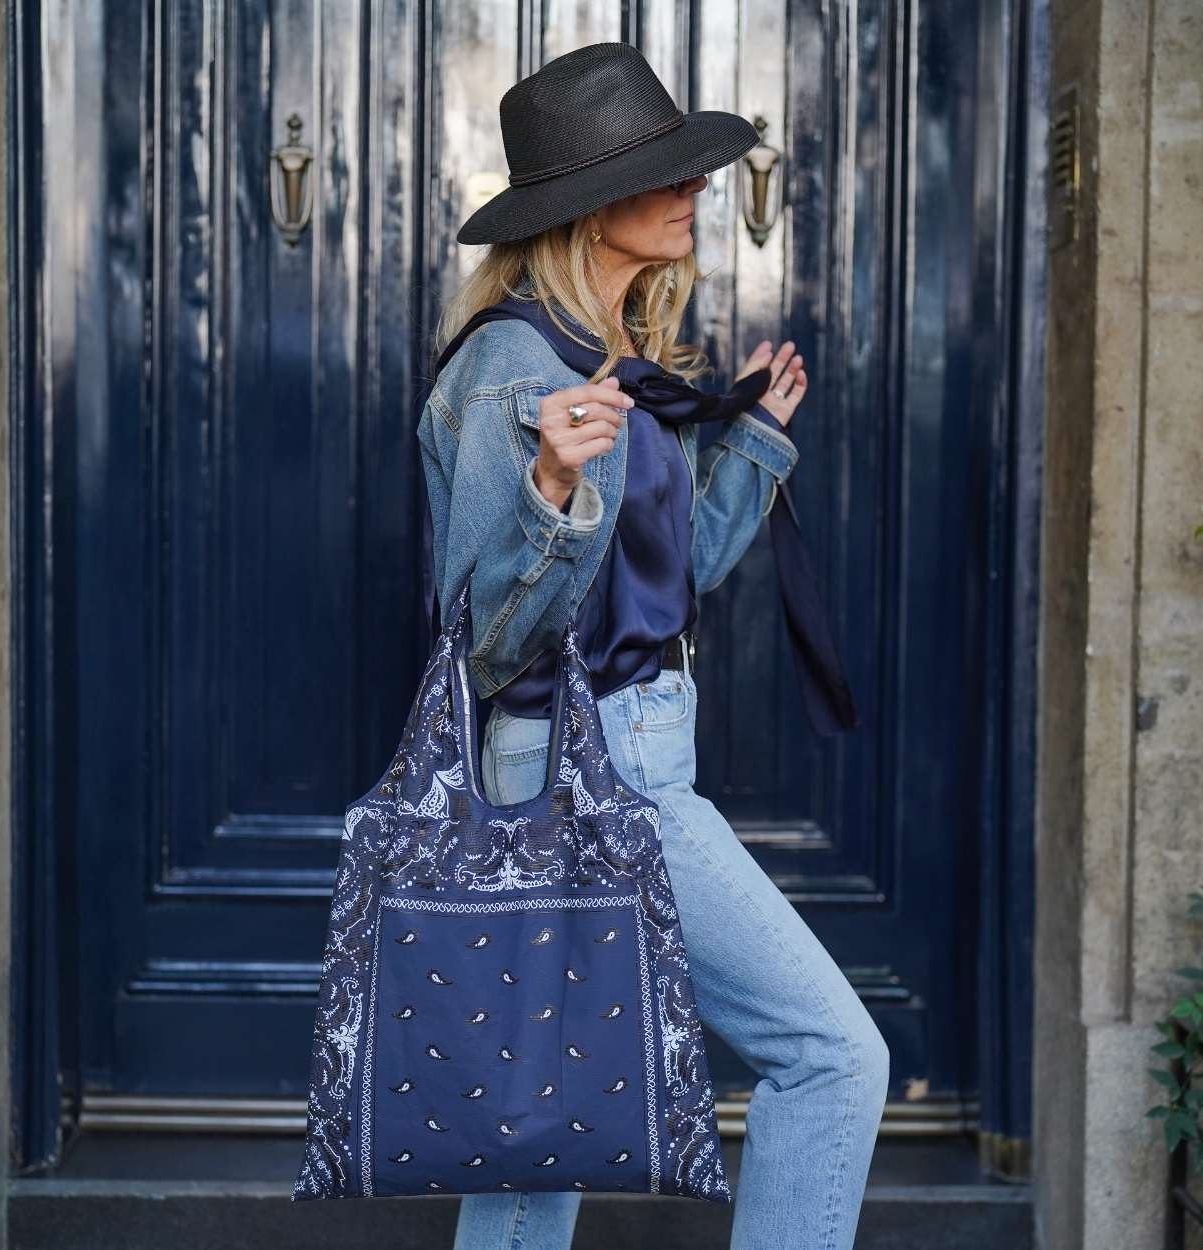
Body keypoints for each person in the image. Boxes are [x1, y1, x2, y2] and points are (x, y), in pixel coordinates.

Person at [417, 40, 890, 1250]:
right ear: (584, 209)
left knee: (542, 1125)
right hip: (587, 768)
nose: (694, 193)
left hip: (621, 750)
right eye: (668, 175)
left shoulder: (606, 362)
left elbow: (653, 593)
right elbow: (490, 637)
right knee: (829, 1053)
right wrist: (546, 483)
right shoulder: (509, 378)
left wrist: (751, 447)